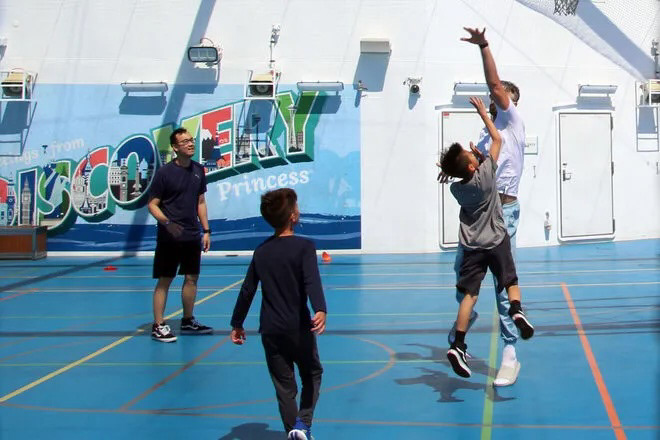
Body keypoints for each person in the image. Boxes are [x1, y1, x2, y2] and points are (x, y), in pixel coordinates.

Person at [442, 26, 527, 386]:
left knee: (500, 282)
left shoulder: (512, 123)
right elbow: (472, 169)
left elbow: (494, 85)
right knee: (463, 276)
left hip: (503, 212)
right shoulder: (484, 135)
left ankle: (509, 352)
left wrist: (484, 46)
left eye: (503, 92)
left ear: (509, 99)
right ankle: (465, 320)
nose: (498, 93)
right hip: (475, 218)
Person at [230, 188, 327, 440]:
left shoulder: (261, 251)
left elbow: (247, 289)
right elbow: (311, 281)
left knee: (284, 386)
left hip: (270, 330)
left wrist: (237, 323)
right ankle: (302, 424)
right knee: (312, 374)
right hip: (297, 327)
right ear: (293, 216)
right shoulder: (304, 247)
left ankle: (291, 432)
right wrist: (320, 308)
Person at [147, 127, 213, 342]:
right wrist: (167, 223)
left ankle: (188, 320)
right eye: (184, 142)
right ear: (175, 147)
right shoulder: (165, 173)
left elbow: (200, 202)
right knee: (165, 279)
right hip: (169, 237)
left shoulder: (198, 170)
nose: (190, 144)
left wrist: (206, 231)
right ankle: (158, 325)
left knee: (191, 278)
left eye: (191, 140)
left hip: (192, 235)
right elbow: (152, 205)